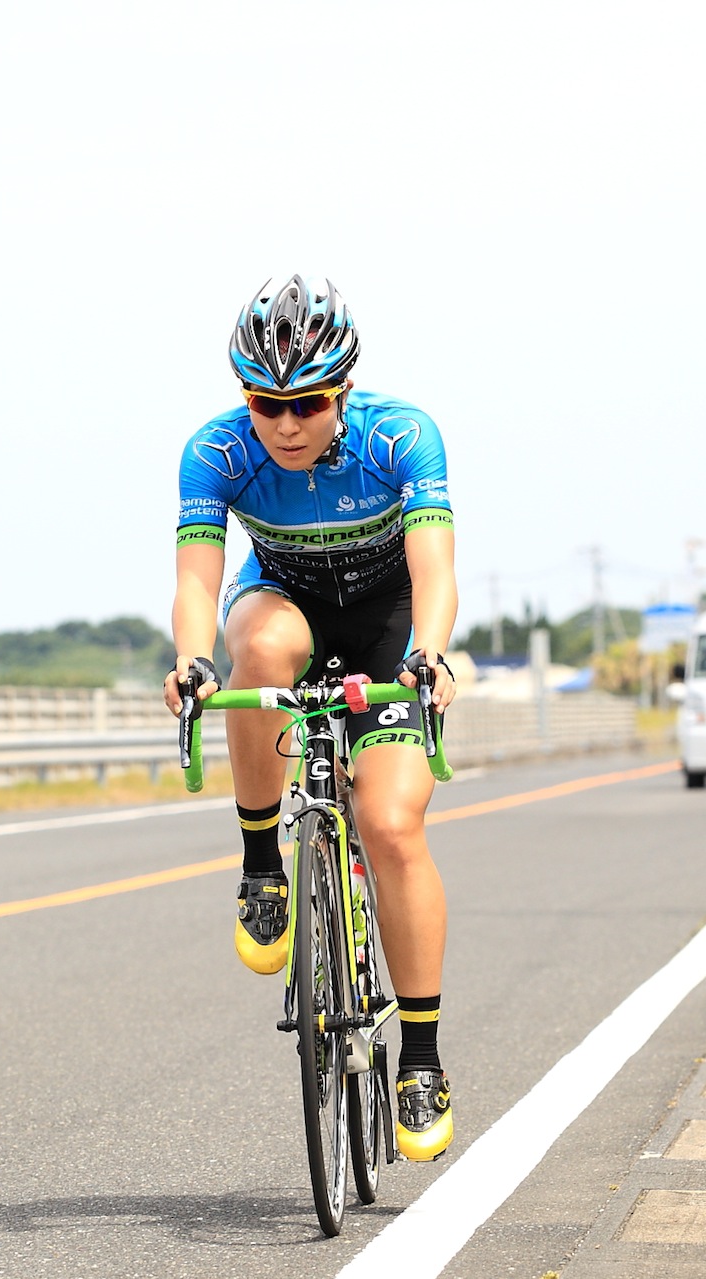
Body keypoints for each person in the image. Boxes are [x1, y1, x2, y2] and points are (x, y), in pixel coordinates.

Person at [162, 274, 460, 1163]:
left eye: (307, 403)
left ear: (344, 391)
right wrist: (188, 660)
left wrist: (432, 653)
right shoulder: (215, 452)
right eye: (266, 404)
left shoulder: (400, 437)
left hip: (386, 626)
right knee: (253, 654)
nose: (286, 425)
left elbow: (435, 568)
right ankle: (263, 866)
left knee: (391, 825)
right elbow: (194, 580)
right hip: (281, 603)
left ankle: (419, 1059)